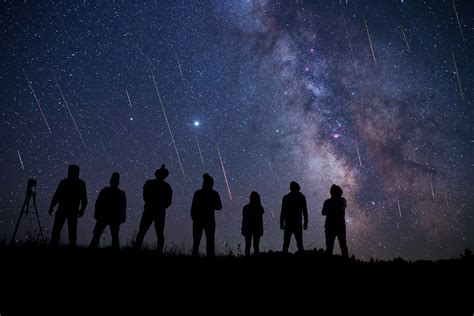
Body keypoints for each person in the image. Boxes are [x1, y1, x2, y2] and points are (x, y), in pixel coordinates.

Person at [134, 165, 172, 254]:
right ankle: (157, 251)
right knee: (155, 232)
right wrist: (161, 206)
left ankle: (137, 249)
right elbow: (168, 201)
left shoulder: (151, 183)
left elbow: (146, 196)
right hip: (156, 210)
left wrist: (154, 205)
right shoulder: (165, 186)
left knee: (145, 231)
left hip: (151, 210)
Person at [48, 164, 88, 247]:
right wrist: (82, 209)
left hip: (64, 209)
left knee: (60, 230)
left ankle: (54, 244)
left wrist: (52, 206)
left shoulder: (65, 182)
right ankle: (70, 246)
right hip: (71, 210)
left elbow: (57, 196)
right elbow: (84, 199)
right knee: (70, 231)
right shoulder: (79, 183)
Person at [89, 172, 126, 249]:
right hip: (110, 216)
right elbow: (122, 207)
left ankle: (92, 248)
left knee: (99, 234)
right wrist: (122, 217)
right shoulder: (120, 193)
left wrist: (97, 214)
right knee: (112, 235)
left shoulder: (106, 191)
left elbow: (98, 203)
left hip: (106, 216)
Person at [191, 173, 222, 257]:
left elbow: (219, 206)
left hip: (206, 220)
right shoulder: (200, 193)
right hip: (202, 219)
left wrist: (194, 217)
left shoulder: (201, 193)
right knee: (200, 240)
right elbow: (193, 207)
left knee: (208, 239)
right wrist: (194, 217)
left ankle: (209, 255)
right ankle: (204, 255)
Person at [280, 181, 308, 253]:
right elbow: (305, 210)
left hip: (289, 221)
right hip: (297, 221)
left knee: (286, 242)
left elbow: (283, 212)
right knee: (299, 242)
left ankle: (285, 252)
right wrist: (305, 222)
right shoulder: (301, 197)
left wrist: (281, 222)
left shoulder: (286, 197)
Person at [321, 184, 348, 258]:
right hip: (335, 226)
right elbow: (323, 212)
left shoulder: (341, 200)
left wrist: (331, 210)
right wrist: (335, 210)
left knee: (341, 246)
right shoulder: (330, 201)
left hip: (334, 226)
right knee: (335, 247)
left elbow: (341, 208)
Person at [241, 191, 264, 256]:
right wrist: (261, 230)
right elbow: (260, 220)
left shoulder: (246, 207)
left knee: (248, 245)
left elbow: (244, 220)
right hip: (256, 228)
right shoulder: (259, 208)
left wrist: (243, 228)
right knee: (256, 246)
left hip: (248, 228)